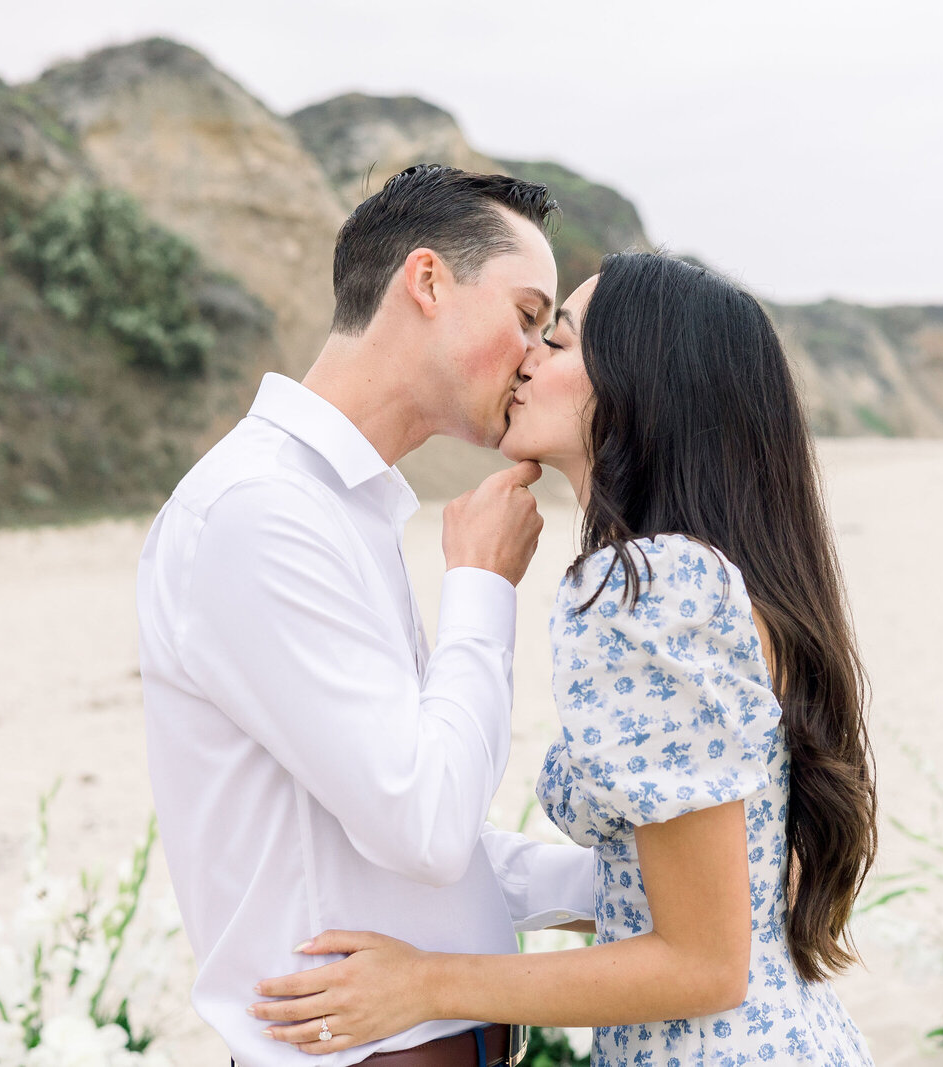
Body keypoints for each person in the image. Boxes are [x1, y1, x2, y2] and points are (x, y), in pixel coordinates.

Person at [247, 253, 880, 1065]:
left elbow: (702, 964)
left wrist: (426, 983)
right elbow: (749, 887)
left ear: (638, 385)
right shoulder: (726, 584)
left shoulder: (646, 592)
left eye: (560, 338)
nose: (527, 356)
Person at [135, 165, 598, 1067]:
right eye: (527, 315)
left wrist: (630, 882)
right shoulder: (260, 511)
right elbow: (420, 825)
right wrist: (482, 586)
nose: (536, 355)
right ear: (427, 282)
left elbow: (391, 843)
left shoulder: (340, 504)